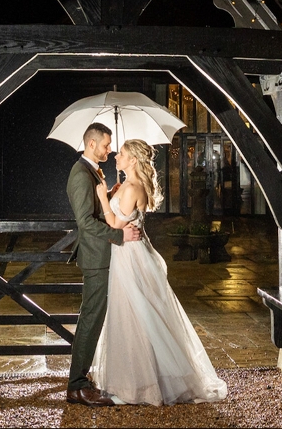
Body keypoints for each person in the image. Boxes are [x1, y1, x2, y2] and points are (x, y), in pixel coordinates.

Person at [92, 138, 229, 406]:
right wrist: (113, 193)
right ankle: (138, 378)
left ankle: (140, 385)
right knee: (137, 313)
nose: (116, 156)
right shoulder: (129, 186)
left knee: (135, 313)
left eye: (121, 153)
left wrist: (102, 198)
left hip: (130, 257)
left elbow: (115, 223)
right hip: (132, 253)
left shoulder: (132, 187)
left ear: (132, 160)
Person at [65, 122, 141, 407]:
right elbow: (85, 222)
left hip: (104, 256)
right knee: (91, 318)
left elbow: (96, 210)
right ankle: (77, 385)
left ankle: (81, 379)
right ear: (92, 143)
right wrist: (119, 235)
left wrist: (110, 196)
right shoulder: (80, 174)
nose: (110, 150)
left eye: (111, 147)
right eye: (107, 145)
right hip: (96, 258)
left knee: (95, 317)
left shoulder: (93, 171)